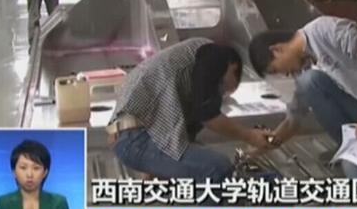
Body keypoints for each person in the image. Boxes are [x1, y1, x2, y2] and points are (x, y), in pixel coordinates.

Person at [248, 16, 357, 178]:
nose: (284, 74)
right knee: (308, 81)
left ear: (276, 49)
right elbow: (293, 119)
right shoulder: (307, 64)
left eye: (275, 70)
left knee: (354, 167)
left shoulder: (325, 30)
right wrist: (264, 145)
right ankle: (351, 149)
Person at [108, 38, 276, 181]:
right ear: (233, 67)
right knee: (217, 167)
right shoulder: (216, 55)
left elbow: (185, 136)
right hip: (137, 138)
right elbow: (207, 115)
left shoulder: (190, 75)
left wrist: (157, 169)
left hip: (133, 137)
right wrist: (250, 136)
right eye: (225, 88)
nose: (222, 93)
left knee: (205, 165)